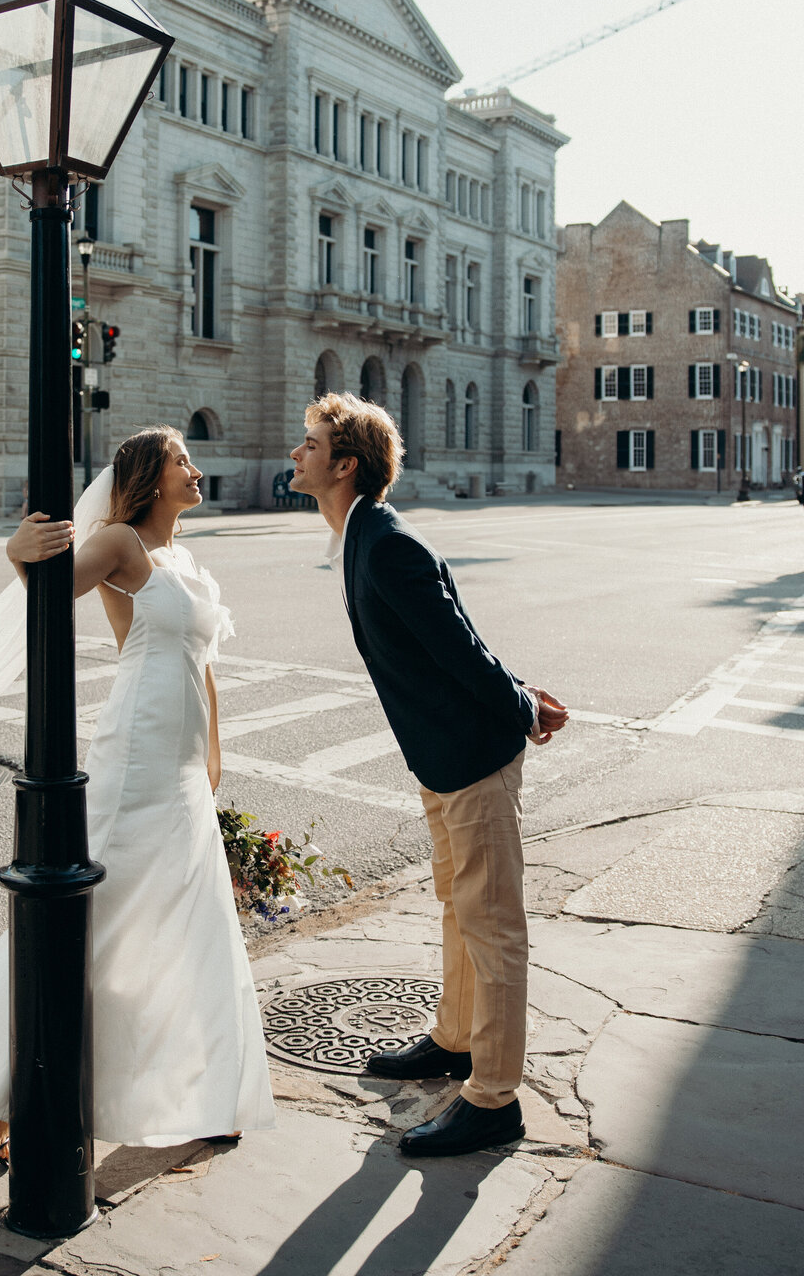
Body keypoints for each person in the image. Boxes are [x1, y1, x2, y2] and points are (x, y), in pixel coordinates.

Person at [0, 426, 275, 1162]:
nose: (197, 471)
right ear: (148, 477)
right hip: (135, 750)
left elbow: (200, 663)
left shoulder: (183, 557)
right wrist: (17, 555)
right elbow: (50, 598)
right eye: (182, 462)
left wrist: (213, 751)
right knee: (97, 915)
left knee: (188, 916)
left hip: (178, 759)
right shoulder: (119, 546)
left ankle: (201, 1091)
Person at [289, 393, 568, 1159]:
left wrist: (520, 706)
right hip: (441, 758)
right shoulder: (359, 535)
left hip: (472, 758)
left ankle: (493, 1097)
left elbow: (460, 649)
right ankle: (454, 1039)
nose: (296, 454)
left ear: (345, 465)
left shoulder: (387, 545)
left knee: (492, 925)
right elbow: (456, 643)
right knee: (457, 908)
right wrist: (524, 697)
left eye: (309, 444)